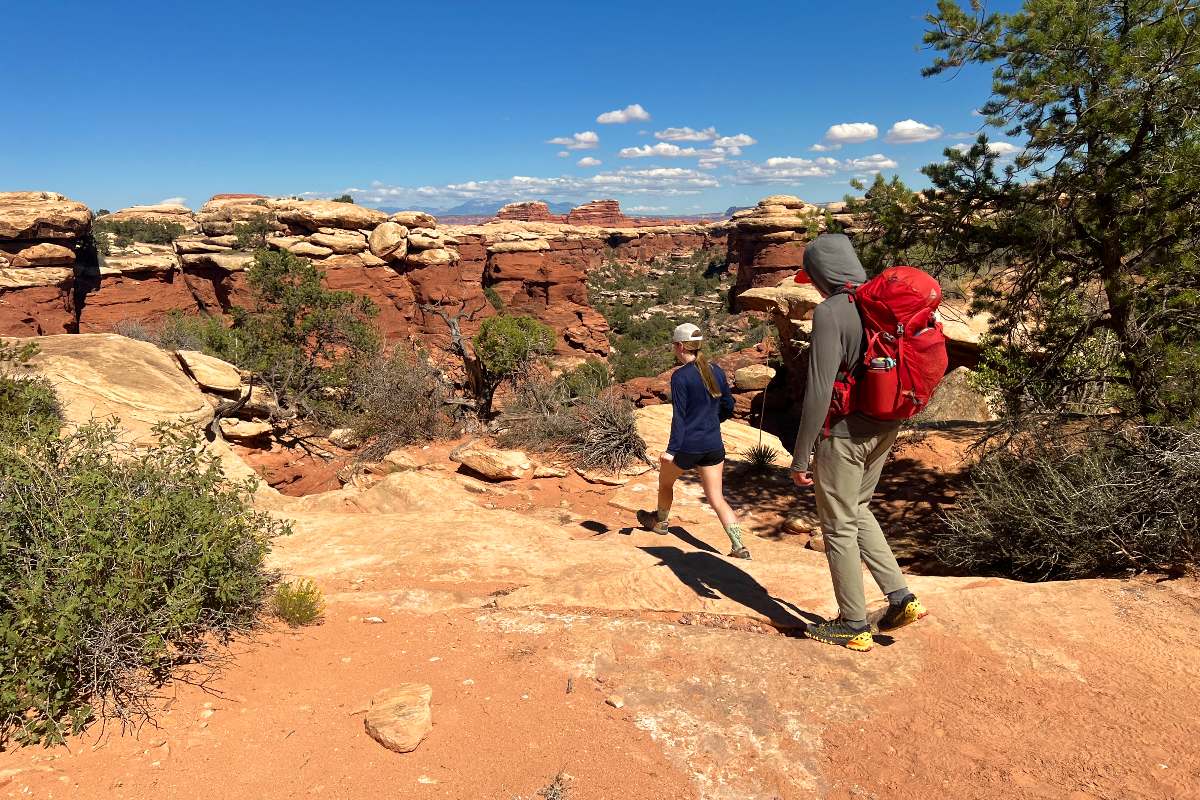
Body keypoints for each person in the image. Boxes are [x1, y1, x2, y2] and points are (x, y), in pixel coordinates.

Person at [789, 234, 927, 652]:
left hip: (844, 434)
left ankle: (851, 623)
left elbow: (818, 390)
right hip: (885, 425)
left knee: (838, 527)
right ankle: (901, 597)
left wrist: (801, 455)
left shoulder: (831, 311)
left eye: (811, 277)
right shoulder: (881, 304)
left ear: (822, 274)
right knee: (858, 508)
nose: (812, 285)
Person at [636, 323, 751, 559]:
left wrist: (671, 450)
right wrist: (713, 421)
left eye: (674, 345)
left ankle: (661, 522)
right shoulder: (716, 371)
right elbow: (728, 405)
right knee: (717, 498)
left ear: (679, 346)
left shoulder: (680, 377)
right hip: (713, 446)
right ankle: (739, 546)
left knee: (665, 482)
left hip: (688, 447)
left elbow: (679, 417)